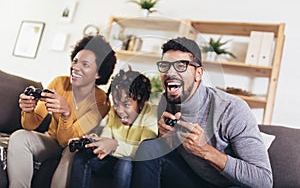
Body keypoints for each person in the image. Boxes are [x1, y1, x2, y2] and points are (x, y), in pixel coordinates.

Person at [131, 37, 273, 188]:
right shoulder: (167, 102)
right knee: (149, 147)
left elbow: (264, 180)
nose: (170, 73)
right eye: (165, 66)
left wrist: (205, 150)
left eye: (180, 66)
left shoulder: (231, 109)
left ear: (198, 73)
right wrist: (165, 138)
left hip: (227, 185)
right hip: (192, 178)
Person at [7, 35, 117, 188]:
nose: (75, 67)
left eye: (85, 64)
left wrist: (66, 114)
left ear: (98, 73)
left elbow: (67, 140)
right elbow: (29, 125)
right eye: (75, 61)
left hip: (73, 147)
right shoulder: (59, 83)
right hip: (51, 141)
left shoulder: (101, 102)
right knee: (20, 137)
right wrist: (28, 110)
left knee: (72, 152)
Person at [69, 67, 158, 188]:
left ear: (141, 102)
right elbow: (106, 138)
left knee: (125, 163)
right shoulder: (113, 113)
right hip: (112, 160)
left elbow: (144, 152)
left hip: (132, 164)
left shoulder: (151, 114)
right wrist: (91, 142)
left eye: (126, 104)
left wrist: (115, 145)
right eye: (116, 104)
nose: (119, 110)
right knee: (81, 157)